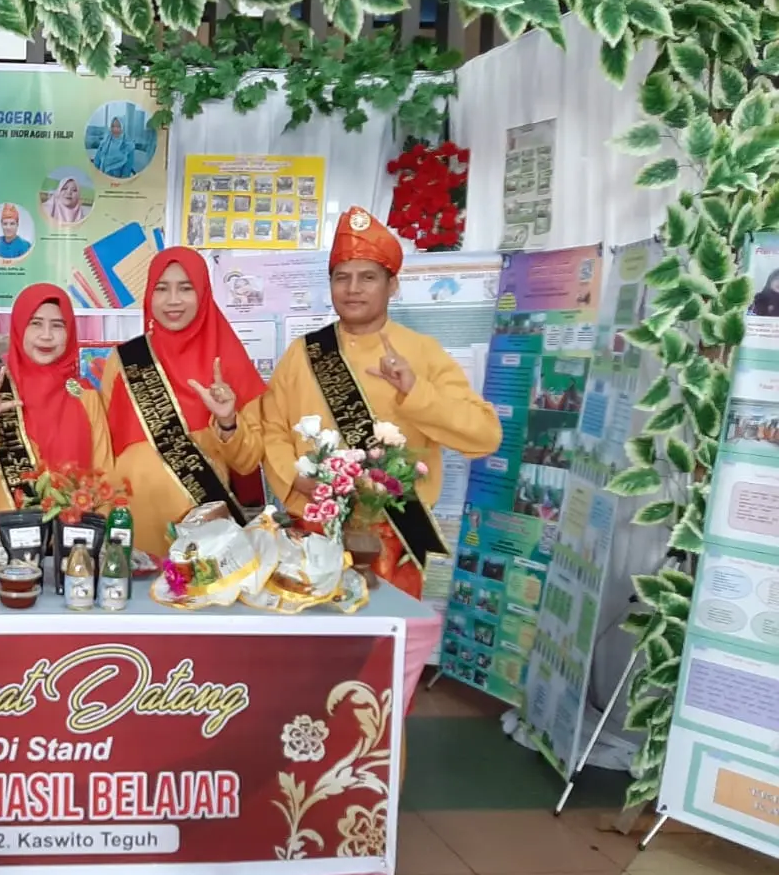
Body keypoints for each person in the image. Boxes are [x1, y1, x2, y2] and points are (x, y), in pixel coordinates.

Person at [260, 207, 502, 600]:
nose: (353, 288)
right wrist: (295, 478)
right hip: (314, 529)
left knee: (387, 633)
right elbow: (271, 428)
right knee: (310, 633)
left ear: (392, 285)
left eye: (368, 277)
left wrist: (415, 390)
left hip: (395, 535)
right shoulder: (303, 353)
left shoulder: (422, 352)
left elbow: (485, 435)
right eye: (342, 277)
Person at [101, 248, 266, 556]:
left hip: (204, 533)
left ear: (203, 293)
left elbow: (249, 461)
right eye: (162, 288)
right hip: (131, 526)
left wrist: (228, 422)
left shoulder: (229, 362)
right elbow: (104, 449)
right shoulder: (125, 360)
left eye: (185, 288)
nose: (173, 300)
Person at [0, 284, 115, 539]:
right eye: (36, 323)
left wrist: (99, 541)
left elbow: (104, 479)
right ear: (19, 328)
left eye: (57, 325)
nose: (46, 335)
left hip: (69, 545)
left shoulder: (85, 395)